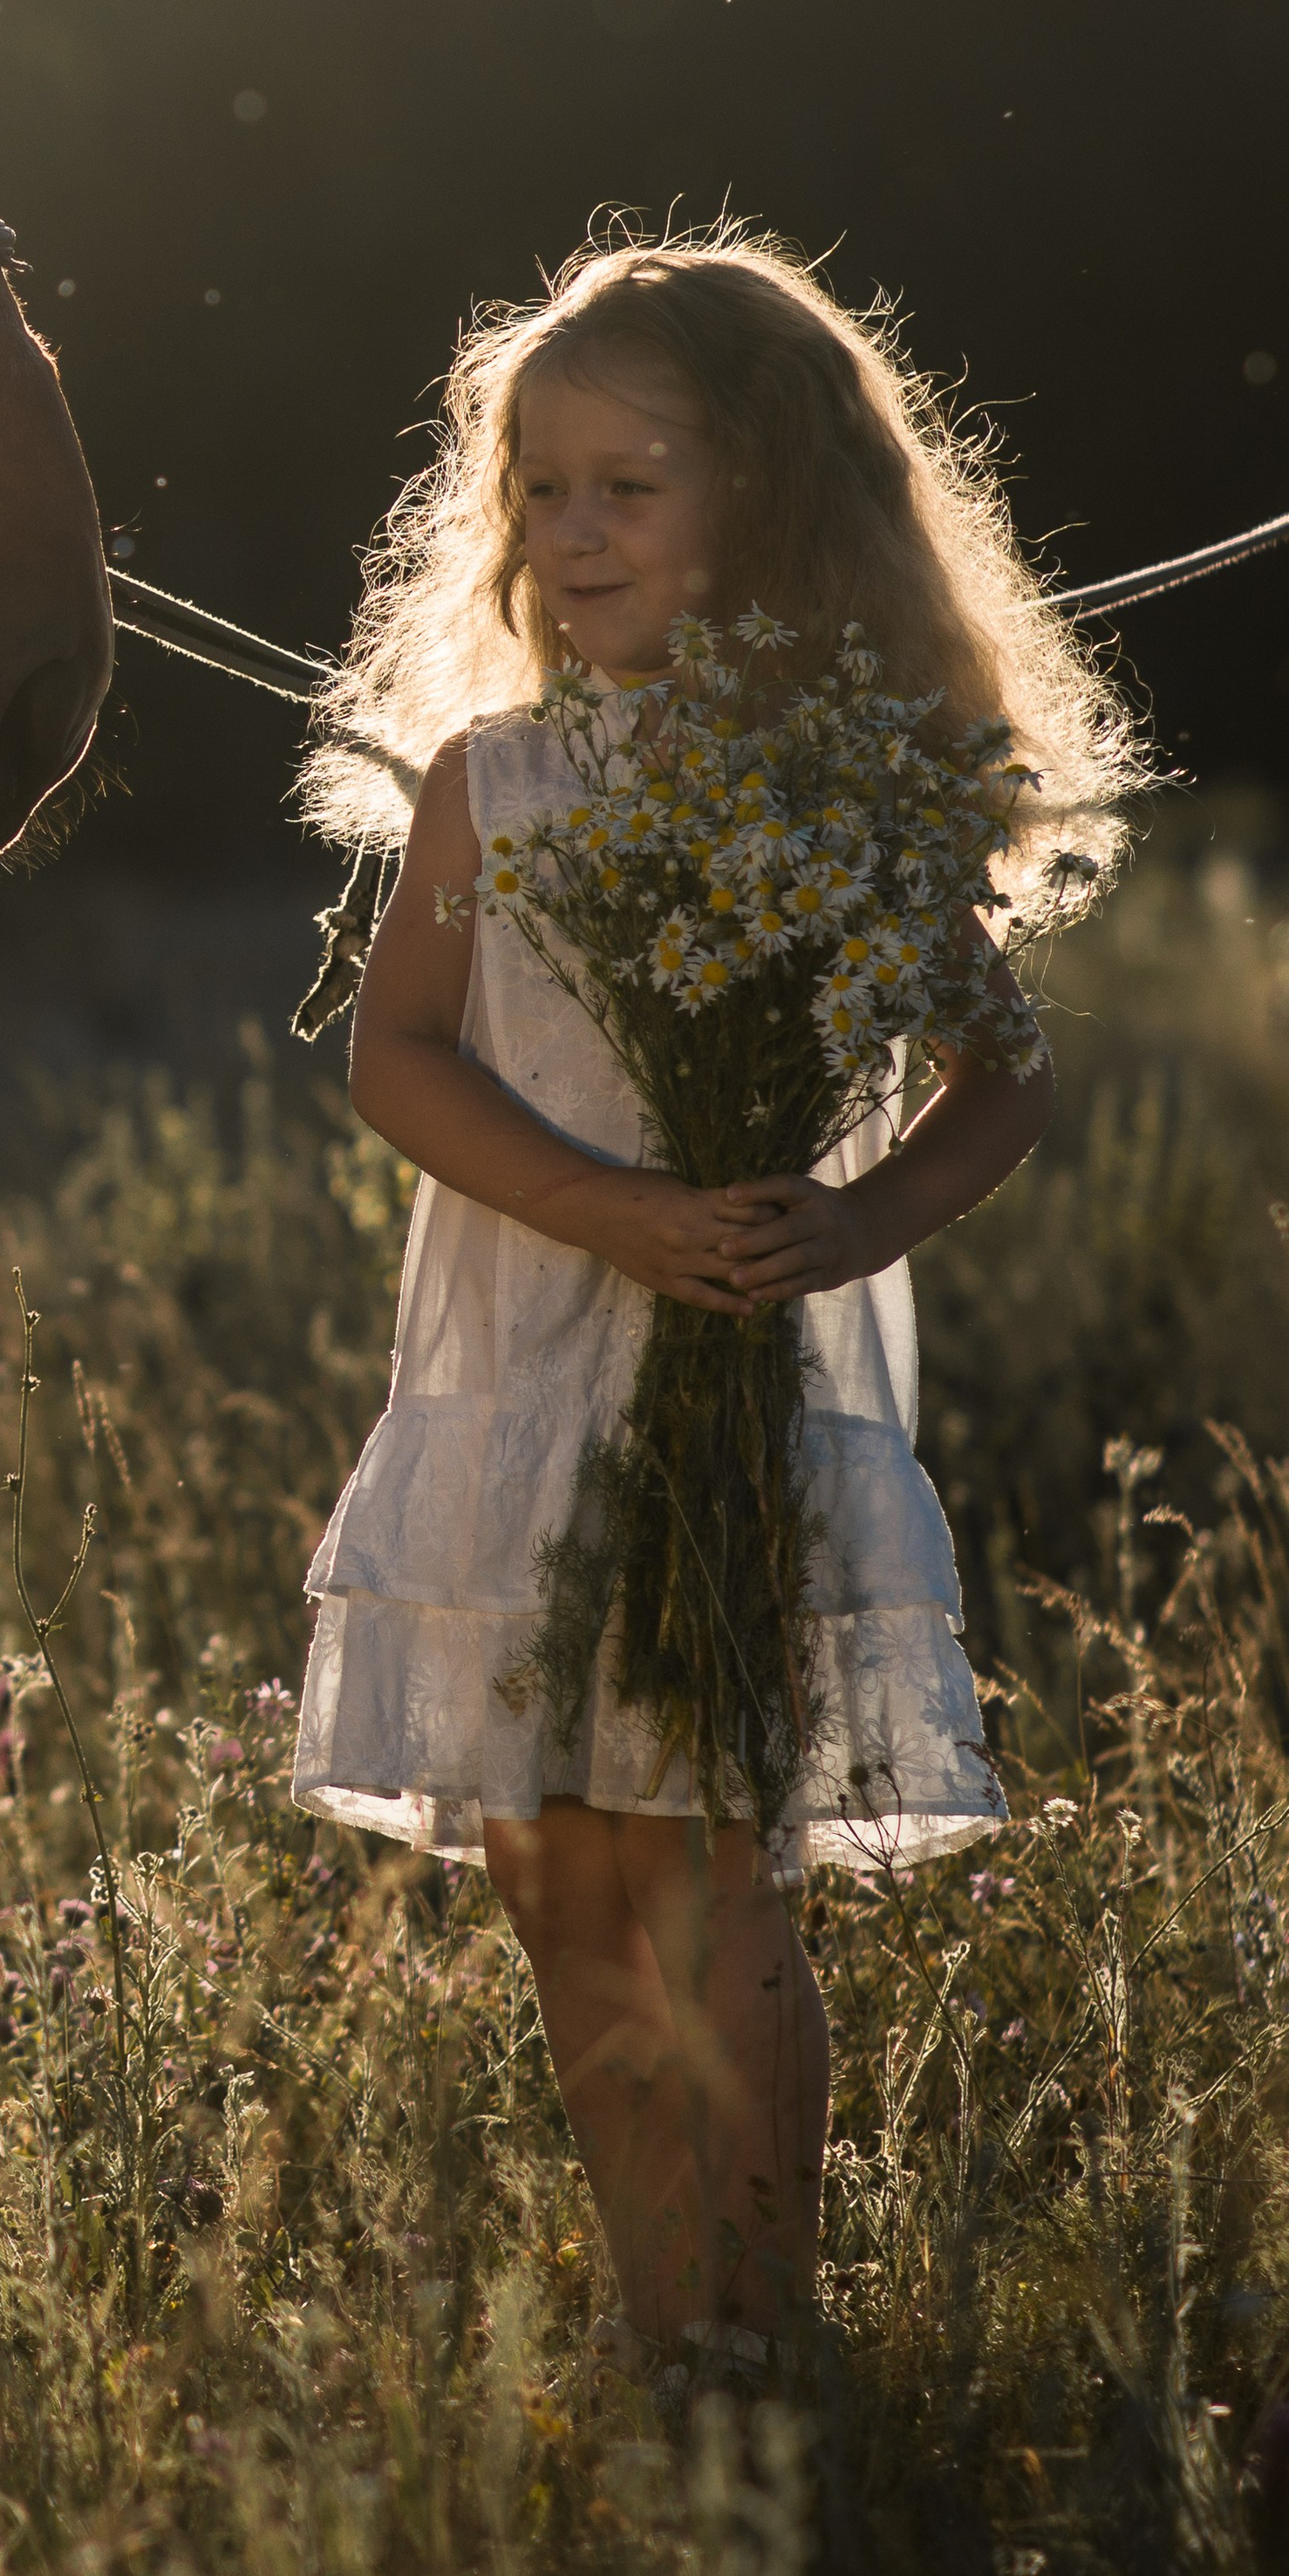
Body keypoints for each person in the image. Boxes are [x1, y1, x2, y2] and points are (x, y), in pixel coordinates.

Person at [290, 229, 1142, 2381]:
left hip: (737, 1385)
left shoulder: (842, 781)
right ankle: (668, 2316)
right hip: (520, 1382)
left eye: (625, 485)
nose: (568, 533)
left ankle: (764, 2321)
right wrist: (604, 1204)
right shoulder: (496, 782)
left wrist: (852, 1225)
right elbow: (395, 1054)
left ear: (754, 498)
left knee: (704, 1870)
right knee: (555, 1871)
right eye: (539, 490)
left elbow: (998, 1073)